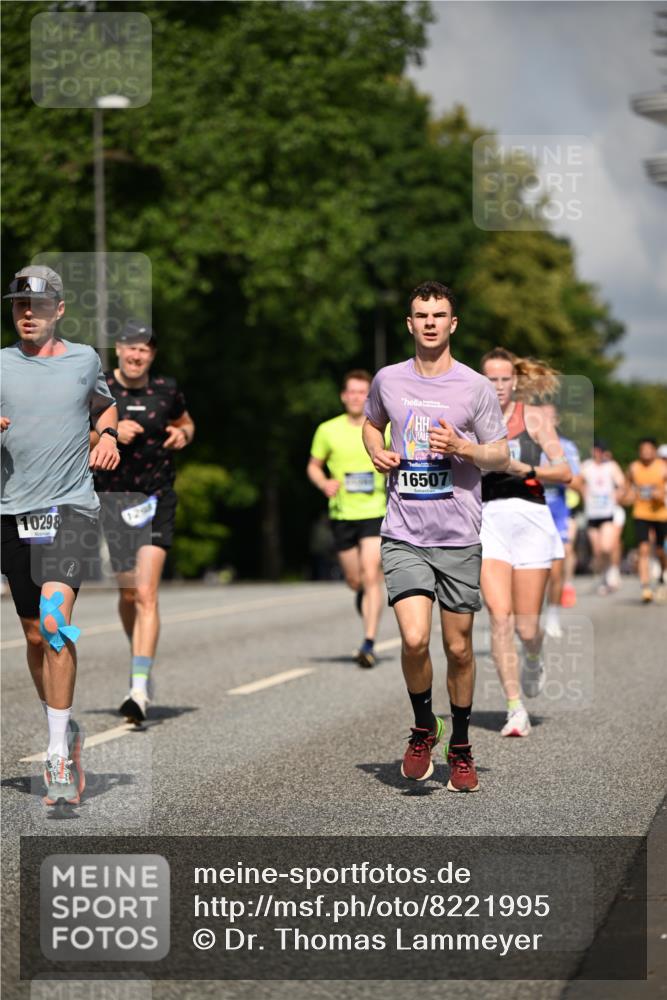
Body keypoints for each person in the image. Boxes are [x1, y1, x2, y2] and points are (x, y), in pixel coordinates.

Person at [363, 281, 509, 792]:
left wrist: (464, 447)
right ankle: (424, 726)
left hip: (458, 535)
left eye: (438, 314)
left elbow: (501, 454)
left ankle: (462, 743)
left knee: (460, 648)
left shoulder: (474, 388)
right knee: (413, 637)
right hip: (403, 531)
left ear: (453, 323)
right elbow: (370, 423)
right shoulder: (387, 378)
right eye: (421, 314)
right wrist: (375, 451)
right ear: (410, 323)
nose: (429, 322)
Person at [0, 265, 119, 806]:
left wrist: (110, 434)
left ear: (59, 311)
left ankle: (55, 756)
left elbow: (105, 402)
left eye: (39, 305)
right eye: (20, 304)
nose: (28, 313)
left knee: (53, 622)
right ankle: (64, 728)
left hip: (70, 506)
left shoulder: (85, 360)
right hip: (11, 511)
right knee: (32, 634)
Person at [93, 320, 195, 722]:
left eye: (145, 350)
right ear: (118, 348)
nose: (136, 355)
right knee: (129, 594)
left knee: (147, 592)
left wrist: (183, 435)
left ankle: (138, 688)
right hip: (114, 500)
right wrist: (109, 432)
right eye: (130, 347)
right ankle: (140, 655)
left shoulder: (166, 389)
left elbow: (186, 422)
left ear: (152, 355)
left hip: (156, 497)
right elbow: (72, 433)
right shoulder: (99, 388)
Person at [480, 349, 571, 739]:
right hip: (488, 521)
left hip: (531, 520)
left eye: (504, 379)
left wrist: (526, 469)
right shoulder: (471, 421)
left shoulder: (531, 418)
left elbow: (564, 471)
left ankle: (534, 655)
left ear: (514, 381)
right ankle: (515, 709)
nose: (498, 386)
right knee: (500, 617)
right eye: (490, 380)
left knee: (527, 626)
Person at [308, 370, 386, 668]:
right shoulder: (327, 430)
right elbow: (314, 466)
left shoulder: (381, 427)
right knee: (355, 579)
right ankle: (363, 595)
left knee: (371, 572)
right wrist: (324, 483)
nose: (356, 397)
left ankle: (368, 643)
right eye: (351, 392)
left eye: (362, 392)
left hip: (375, 511)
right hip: (342, 514)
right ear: (343, 396)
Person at [539, 403, 582, 637]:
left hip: (557, 514)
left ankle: (552, 616)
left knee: (555, 571)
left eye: (549, 417)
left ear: (556, 421)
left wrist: (549, 472)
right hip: (528, 512)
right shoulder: (526, 445)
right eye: (539, 417)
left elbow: (577, 482)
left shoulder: (566, 447)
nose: (544, 421)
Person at [580, 442, 625, 595]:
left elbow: (622, 484)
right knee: (598, 550)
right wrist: (583, 494)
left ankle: (611, 572)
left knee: (607, 547)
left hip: (607, 512)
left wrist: (617, 496)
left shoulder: (612, 466)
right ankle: (605, 576)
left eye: (599, 451)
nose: (597, 454)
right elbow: (577, 482)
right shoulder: (586, 466)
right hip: (592, 513)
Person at [625, 437, 667, 603]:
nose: (646, 453)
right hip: (641, 513)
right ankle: (645, 587)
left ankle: (663, 576)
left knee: (660, 550)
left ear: (654, 451)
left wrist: (662, 494)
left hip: (661, 514)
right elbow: (626, 488)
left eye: (649, 449)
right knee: (643, 549)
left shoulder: (662, 468)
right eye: (643, 450)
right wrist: (627, 495)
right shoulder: (634, 468)